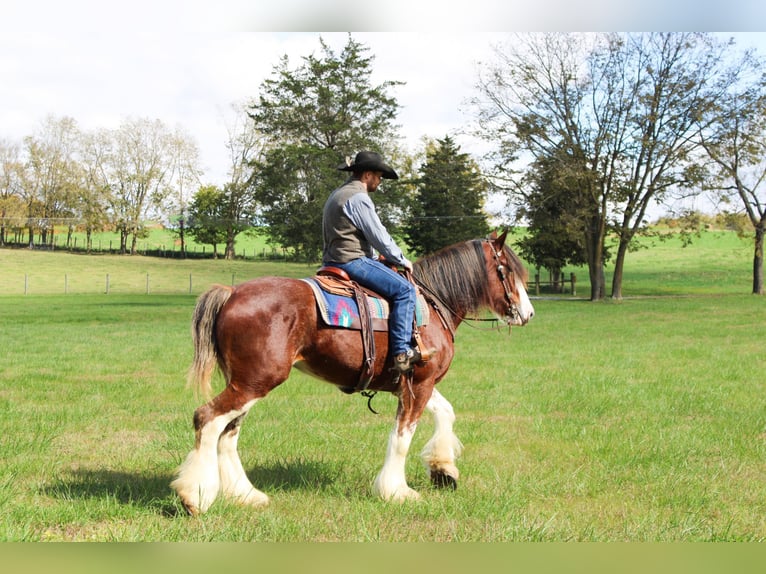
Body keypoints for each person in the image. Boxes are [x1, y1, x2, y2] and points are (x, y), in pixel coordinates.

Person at [322, 150, 430, 373]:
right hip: (352, 261)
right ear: (367, 175)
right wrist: (400, 259)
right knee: (405, 290)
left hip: (333, 260)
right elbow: (378, 235)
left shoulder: (338, 193)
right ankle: (401, 352)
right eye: (379, 176)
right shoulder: (358, 198)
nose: (380, 181)